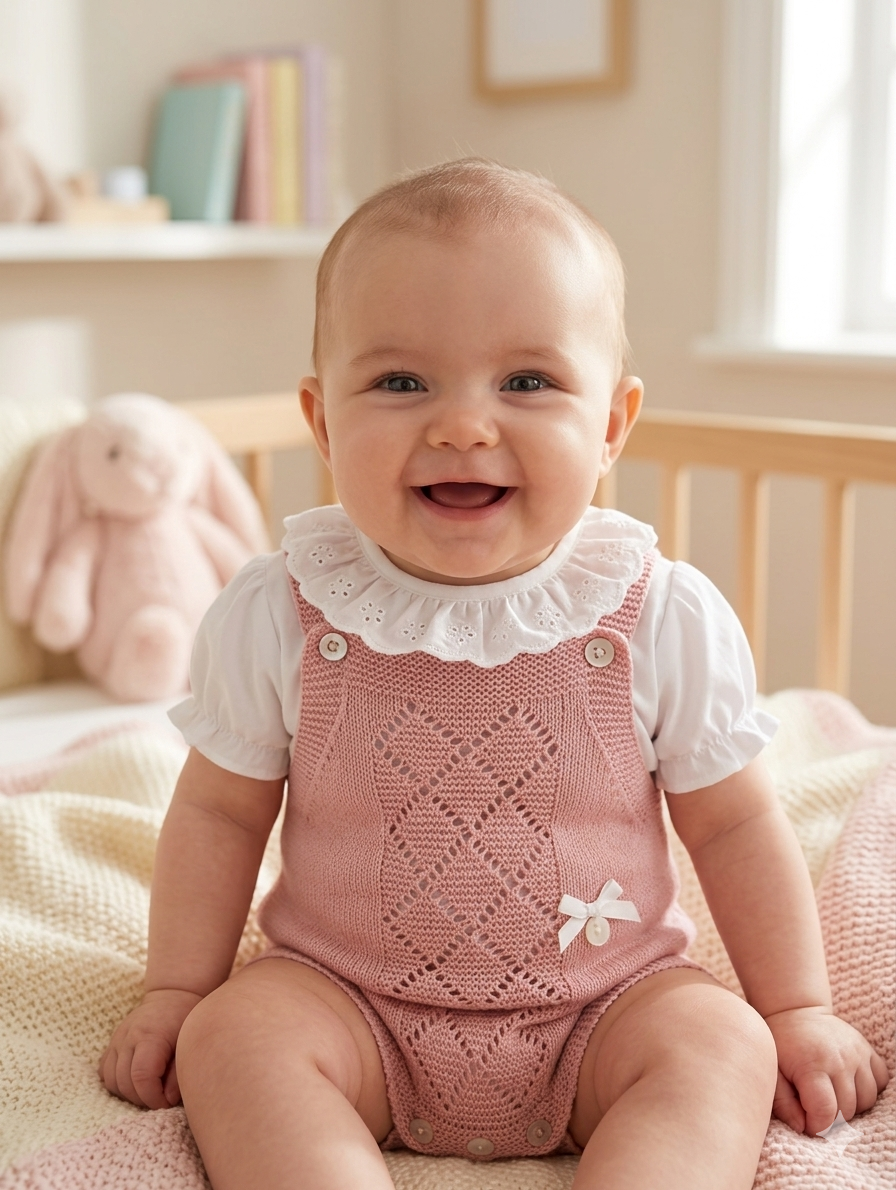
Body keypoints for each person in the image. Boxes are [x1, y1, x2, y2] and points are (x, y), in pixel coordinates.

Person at [100, 159, 888, 1190]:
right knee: (231, 1037)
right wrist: (175, 987)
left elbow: (734, 825)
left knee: (718, 1044)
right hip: (344, 999)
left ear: (610, 423)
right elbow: (215, 816)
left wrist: (792, 1007)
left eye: (526, 381)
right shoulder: (281, 608)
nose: (463, 423)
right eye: (399, 381)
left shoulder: (656, 611)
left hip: (605, 1005)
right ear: (322, 420)